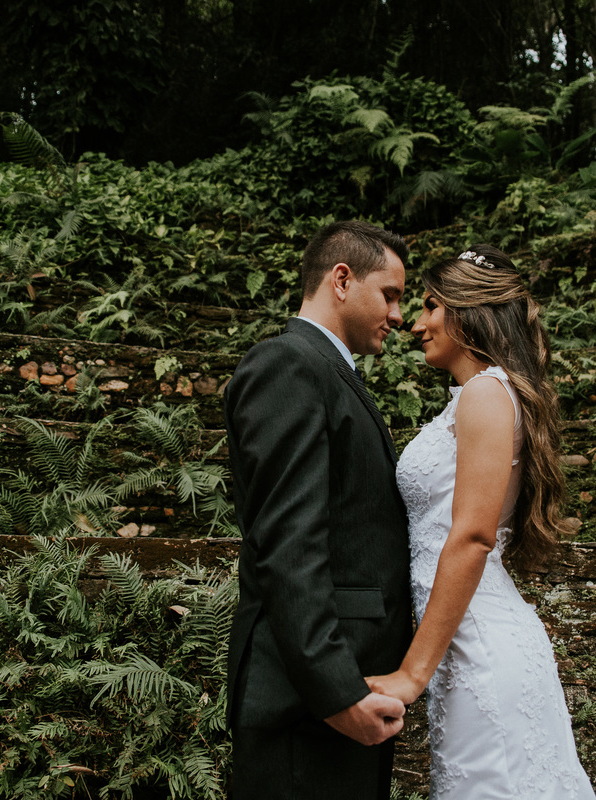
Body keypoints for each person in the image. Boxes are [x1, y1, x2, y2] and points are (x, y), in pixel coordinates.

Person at [367, 245, 596, 799]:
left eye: (430, 306)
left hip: (481, 649)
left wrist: (411, 675)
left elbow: (470, 538)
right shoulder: (479, 397)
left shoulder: (486, 394)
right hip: (464, 646)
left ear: (469, 309)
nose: (416, 324)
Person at [223, 220, 414, 799]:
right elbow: (290, 543)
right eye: (391, 294)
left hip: (336, 695)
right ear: (341, 279)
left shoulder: (328, 372)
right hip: (307, 708)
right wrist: (338, 695)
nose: (399, 315)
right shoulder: (288, 364)